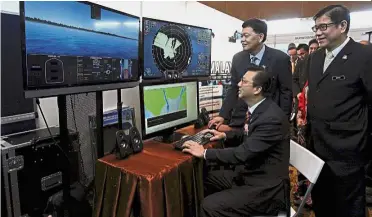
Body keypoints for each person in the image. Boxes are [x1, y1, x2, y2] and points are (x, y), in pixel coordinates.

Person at [182, 64, 290, 217]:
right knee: (203, 178)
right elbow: (250, 135)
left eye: (244, 82)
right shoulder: (262, 109)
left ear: (257, 89)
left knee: (209, 206)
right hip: (251, 174)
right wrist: (225, 135)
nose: (239, 84)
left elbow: (242, 154)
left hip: (265, 189)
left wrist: (205, 153)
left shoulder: (271, 118)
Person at [307, 5, 372, 217]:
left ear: (343, 25)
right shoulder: (315, 58)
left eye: (323, 26)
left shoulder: (364, 56)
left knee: (348, 208)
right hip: (317, 148)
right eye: (315, 27)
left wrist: (362, 141)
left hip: (348, 151)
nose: (318, 32)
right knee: (322, 202)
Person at [208, 18, 292, 130]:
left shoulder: (280, 59)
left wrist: (282, 121)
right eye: (241, 36)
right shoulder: (238, 58)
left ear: (260, 37)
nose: (242, 40)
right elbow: (233, 88)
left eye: (246, 36)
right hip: (240, 120)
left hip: (267, 121)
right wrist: (223, 115)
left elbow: (286, 93)